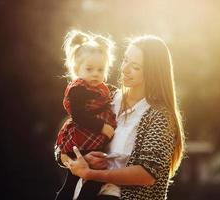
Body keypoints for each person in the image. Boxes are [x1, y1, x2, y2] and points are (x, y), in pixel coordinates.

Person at [59, 34, 185, 200]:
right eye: (125, 60)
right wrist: (78, 158)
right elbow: (66, 140)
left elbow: (146, 174)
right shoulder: (105, 97)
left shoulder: (160, 116)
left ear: (152, 73)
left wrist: (92, 174)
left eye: (135, 66)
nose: (124, 69)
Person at [54, 30, 117, 200]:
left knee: (85, 181)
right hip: (80, 141)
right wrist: (103, 127)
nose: (96, 74)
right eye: (89, 69)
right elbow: (79, 117)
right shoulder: (78, 90)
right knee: (84, 181)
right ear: (77, 69)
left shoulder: (103, 89)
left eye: (100, 69)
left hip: (90, 143)